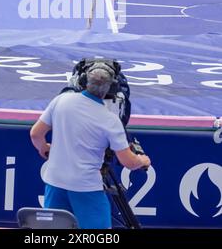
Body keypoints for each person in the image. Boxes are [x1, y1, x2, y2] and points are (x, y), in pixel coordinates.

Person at [30, 66, 151, 229]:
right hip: (85, 187)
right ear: (111, 88)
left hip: (54, 182)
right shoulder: (110, 120)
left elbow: (35, 134)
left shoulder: (61, 100)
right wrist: (142, 160)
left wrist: (44, 148)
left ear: (84, 82)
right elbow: (128, 162)